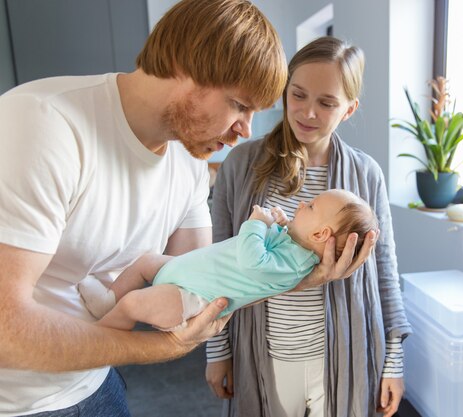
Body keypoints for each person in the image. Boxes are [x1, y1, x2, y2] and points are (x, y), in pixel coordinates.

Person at [0, 1, 376, 415]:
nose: (245, 130)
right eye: (239, 104)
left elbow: (205, 277)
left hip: (97, 379)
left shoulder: (188, 161)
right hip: (24, 402)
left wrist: (295, 277)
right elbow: (6, 330)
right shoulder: (43, 123)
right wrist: (160, 348)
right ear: (186, 68)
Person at [205, 36, 411, 417]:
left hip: (342, 354)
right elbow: (218, 262)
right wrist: (218, 351)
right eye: (298, 95)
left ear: (349, 110)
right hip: (264, 351)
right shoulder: (241, 165)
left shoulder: (365, 175)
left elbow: (385, 272)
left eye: (327, 103)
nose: (308, 113)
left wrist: (393, 362)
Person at [78, 189, 378, 331]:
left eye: (310, 206)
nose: (302, 203)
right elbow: (276, 245)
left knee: (134, 304)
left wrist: (256, 223)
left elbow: (253, 261)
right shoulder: (294, 244)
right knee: (146, 261)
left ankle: (102, 331)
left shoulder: (295, 266)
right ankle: (108, 299)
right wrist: (282, 223)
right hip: (186, 273)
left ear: (320, 234)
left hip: (192, 298)